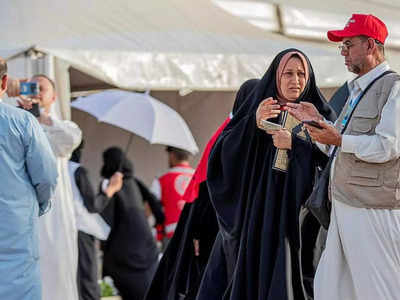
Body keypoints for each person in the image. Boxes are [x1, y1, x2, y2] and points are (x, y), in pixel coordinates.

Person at [197, 49, 336, 300]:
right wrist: (253, 125)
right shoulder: (261, 110)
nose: (296, 80)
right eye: (289, 74)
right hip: (263, 218)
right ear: (276, 76)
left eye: (301, 74)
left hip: (304, 220)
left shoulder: (320, 115)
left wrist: (296, 143)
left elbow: (333, 161)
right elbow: (221, 159)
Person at [286, 14, 400, 300]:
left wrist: (338, 138)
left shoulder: (394, 87)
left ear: (371, 46)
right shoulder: (358, 89)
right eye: (342, 47)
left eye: (348, 45)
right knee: (331, 288)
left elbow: (388, 147)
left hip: (372, 209)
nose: (344, 53)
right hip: (345, 205)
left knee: (378, 290)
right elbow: (341, 148)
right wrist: (318, 127)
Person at [145, 78, 260, 300]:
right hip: (216, 225)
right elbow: (211, 185)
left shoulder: (226, 131)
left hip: (202, 225)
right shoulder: (232, 135)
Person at [12, 74, 82, 300]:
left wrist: (40, 117)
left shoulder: (64, 127)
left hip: (55, 211)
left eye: (41, 88)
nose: (36, 92)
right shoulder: (15, 121)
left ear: (54, 96)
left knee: (57, 267)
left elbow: (67, 143)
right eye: (31, 87)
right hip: (22, 211)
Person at [0, 59, 58, 300]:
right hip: (15, 231)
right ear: (5, 82)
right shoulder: (23, 121)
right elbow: (46, 176)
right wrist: (39, 205)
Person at [100, 147, 159, 300]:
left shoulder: (110, 185)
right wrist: (159, 221)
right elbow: (154, 201)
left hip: (123, 250)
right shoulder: (135, 181)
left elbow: (104, 219)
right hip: (145, 245)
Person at [69, 141, 123, 300]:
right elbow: (93, 205)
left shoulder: (56, 167)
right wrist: (111, 189)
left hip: (61, 229)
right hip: (81, 231)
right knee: (88, 278)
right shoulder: (77, 170)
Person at [151, 146, 194, 243]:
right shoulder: (198, 179)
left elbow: (148, 209)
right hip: (194, 234)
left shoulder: (162, 179)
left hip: (170, 235)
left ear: (172, 155)